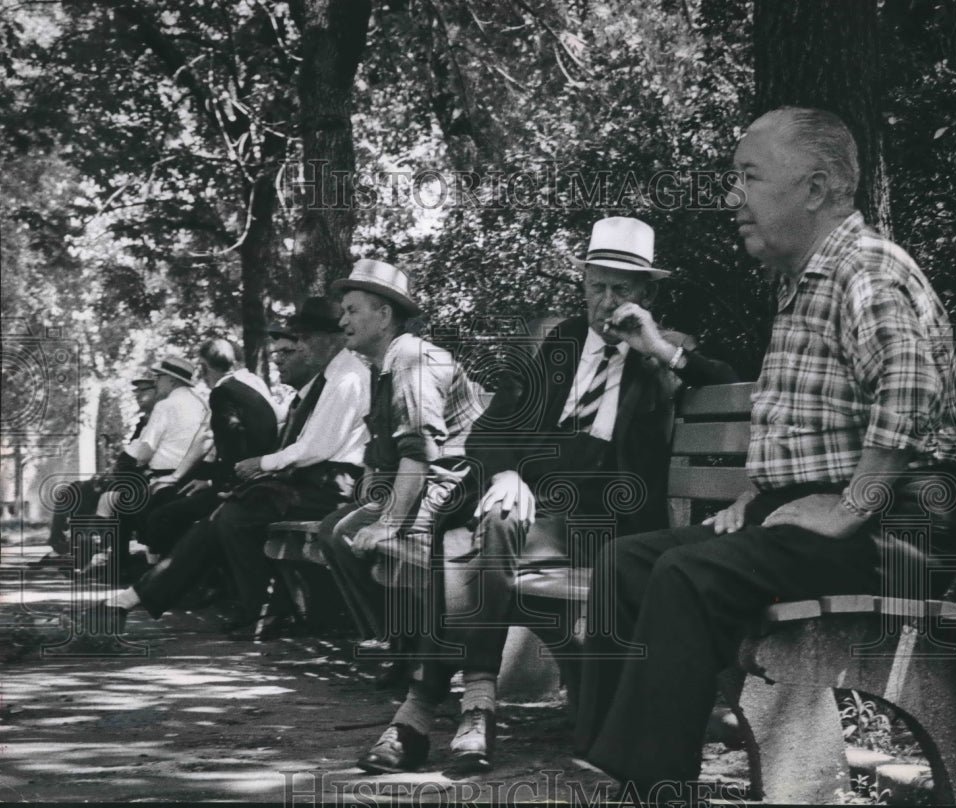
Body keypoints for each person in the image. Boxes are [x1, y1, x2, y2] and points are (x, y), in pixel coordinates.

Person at [573, 107, 956, 799]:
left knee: (687, 575)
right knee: (627, 562)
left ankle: (652, 783)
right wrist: (762, 498)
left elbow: (910, 388)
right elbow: (811, 428)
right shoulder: (804, 279)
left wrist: (849, 508)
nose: (733, 195)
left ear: (814, 190)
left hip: (895, 528)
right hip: (828, 517)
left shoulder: (864, 268)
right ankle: (612, 761)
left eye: (748, 176)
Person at [355, 217, 737, 775]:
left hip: (610, 517)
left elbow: (732, 382)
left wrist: (655, 348)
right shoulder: (559, 343)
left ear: (647, 295)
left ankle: (421, 714)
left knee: (471, 539)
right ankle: (475, 706)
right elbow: (491, 431)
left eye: (622, 290)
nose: (607, 303)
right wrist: (507, 474)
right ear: (582, 285)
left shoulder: (664, 353)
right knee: (492, 519)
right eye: (597, 287)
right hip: (532, 507)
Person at [91, 298, 370, 639]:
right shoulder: (329, 379)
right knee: (222, 515)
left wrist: (261, 465)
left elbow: (317, 448)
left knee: (233, 516)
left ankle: (263, 610)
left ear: (333, 338)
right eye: (301, 337)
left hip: (332, 485)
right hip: (314, 480)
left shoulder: (348, 379)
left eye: (307, 337)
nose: (302, 344)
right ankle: (132, 598)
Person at [316, 259, 480, 687]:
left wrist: (388, 522)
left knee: (364, 535)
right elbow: (383, 448)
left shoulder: (410, 358)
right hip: (427, 486)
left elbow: (422, 450)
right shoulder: (383, 364)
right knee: (336, 530)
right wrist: (372, 496)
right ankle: (402, 642)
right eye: (344, 311)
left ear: (384, 315)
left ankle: (430, 656)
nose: (342, 320)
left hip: (459, 492)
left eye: (352, 310)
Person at [140, 338, 281, 558]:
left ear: (205, 367)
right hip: (260, 475)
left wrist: (205, 481)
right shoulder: (252, 383)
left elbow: (226, 443)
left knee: (163, 513)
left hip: (243, 483)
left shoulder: (223, 392)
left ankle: (171, 578)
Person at [89, 357, 207, 573]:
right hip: (196, 477)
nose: (157, 381)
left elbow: (143, 455)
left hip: (165, 479)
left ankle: (123, 565)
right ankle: (132, 564)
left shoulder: (165, 406)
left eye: (159, 377)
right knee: (120, 494)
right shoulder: (202, 404)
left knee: (114, 498)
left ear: (171, 381)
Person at [36, 376, 160, 568]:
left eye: (144, 391)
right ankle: (61, 547)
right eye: (137, 391)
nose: (138, 395)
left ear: (157, 391)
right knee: (74, 489)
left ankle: (87, 550)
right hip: (125, 477)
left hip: (139, 480)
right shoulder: (143, 421)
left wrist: (115, 474)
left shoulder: (159, 419)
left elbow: (142, 459)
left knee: (91, 493)